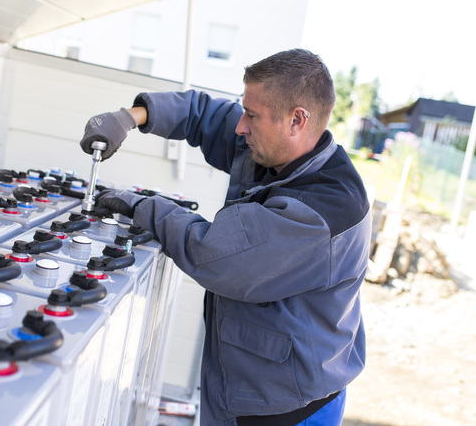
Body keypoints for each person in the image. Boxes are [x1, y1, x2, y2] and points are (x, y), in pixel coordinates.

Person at [80, 48, 370, 426]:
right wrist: (129, 118)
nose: (240, 127)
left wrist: (141, 207)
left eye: (251, 116)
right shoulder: (276, 149)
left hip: (284, 407)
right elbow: (205, 115)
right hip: (243, 387)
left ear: (296, 120)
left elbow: (219, 255)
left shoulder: (325, 209)